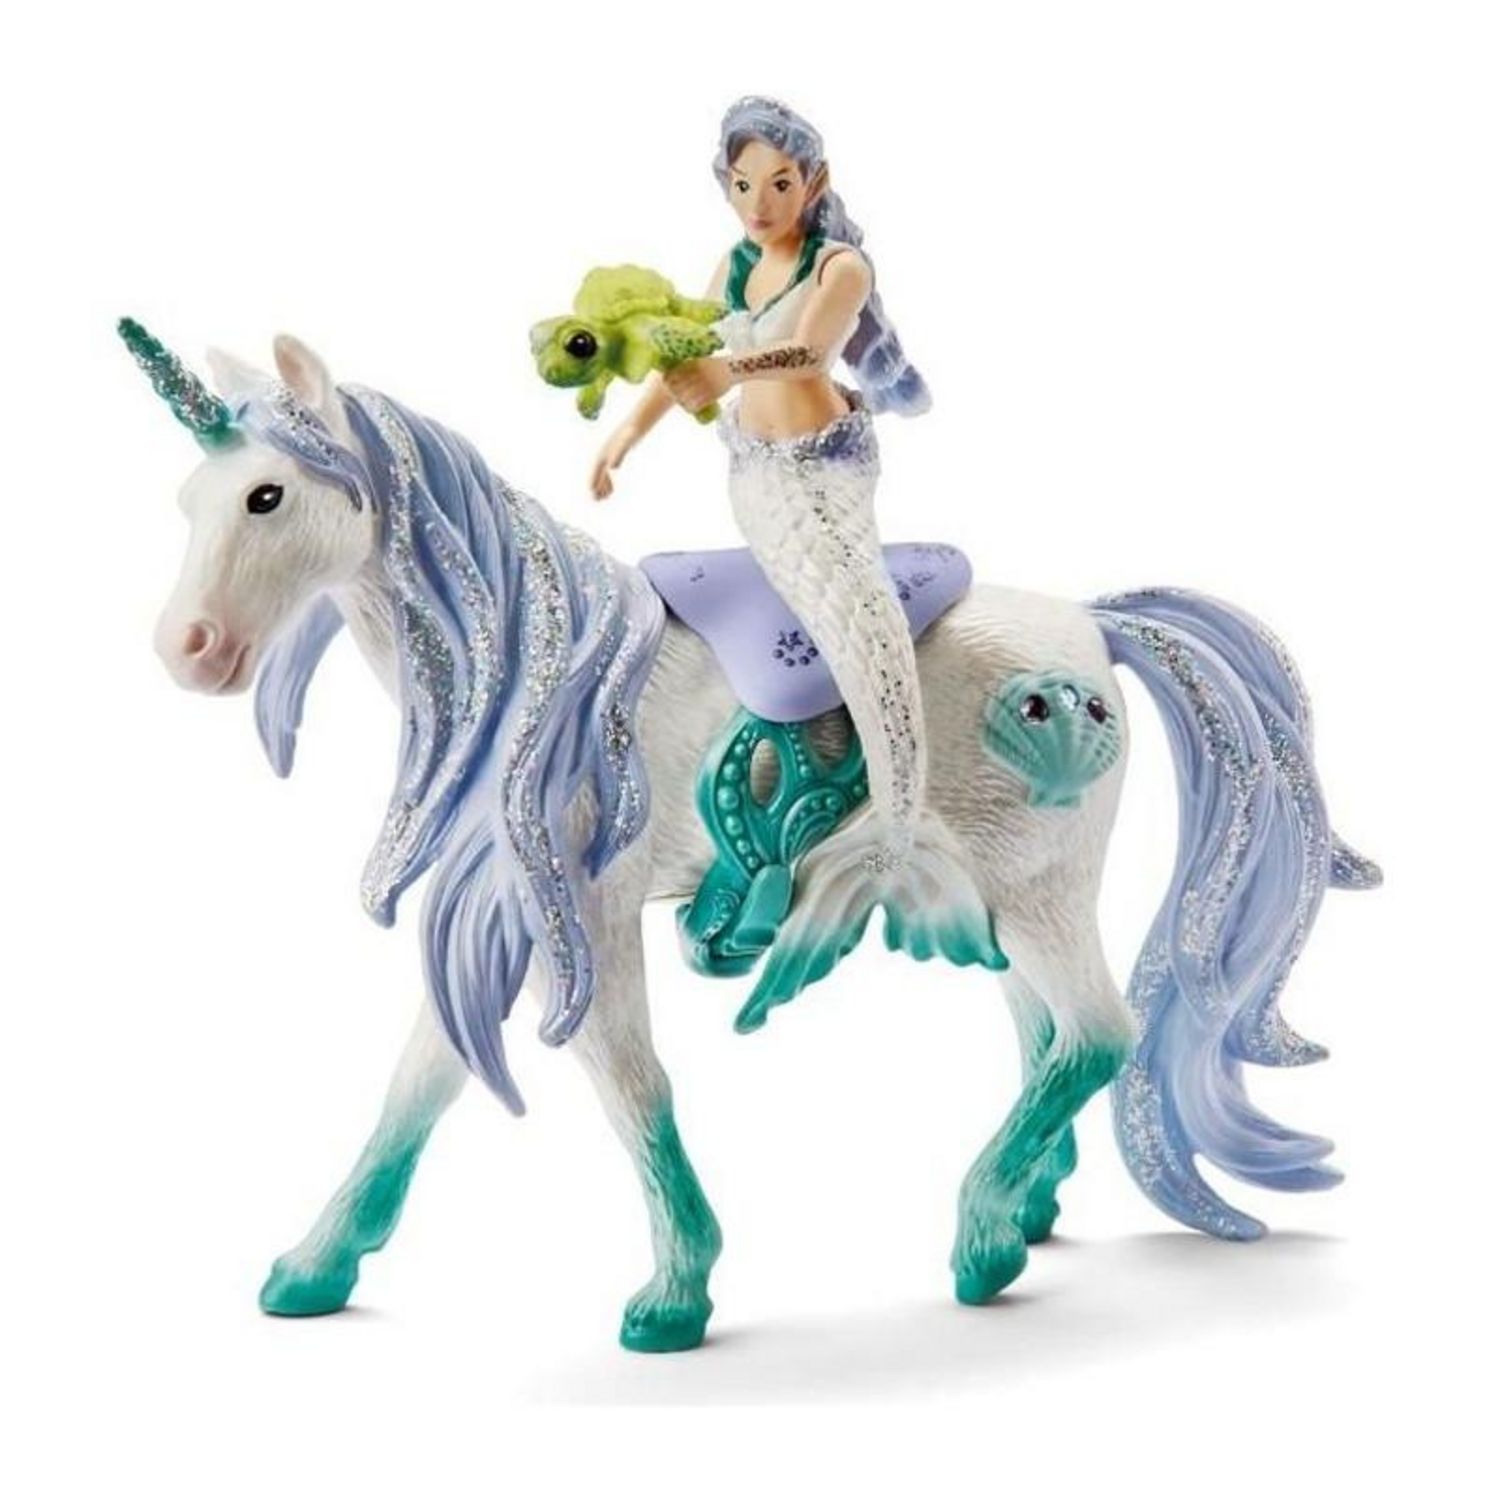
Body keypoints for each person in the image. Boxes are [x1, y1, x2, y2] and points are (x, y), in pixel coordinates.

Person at [590, 95, 1002, 1016]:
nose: (760, 204)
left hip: (820, 478)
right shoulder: (736, 263)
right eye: (743, 186)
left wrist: (724, 372)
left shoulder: (839, 266)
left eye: (779, 184)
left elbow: (807, 354)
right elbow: (690, 356)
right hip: (752, 472)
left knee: (862, 637)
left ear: (813, 182)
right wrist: (629, 432)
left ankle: (897, 823)